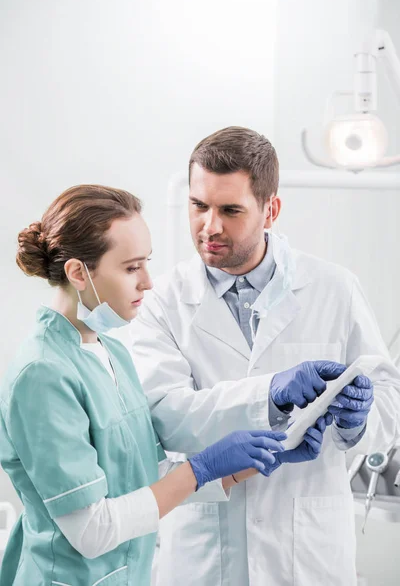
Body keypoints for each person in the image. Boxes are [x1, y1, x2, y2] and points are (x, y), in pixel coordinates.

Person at [0, 184, 332, 586]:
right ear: (77, 273)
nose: (148, 282)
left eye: (146, 263)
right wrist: (201, 466)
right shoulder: (43, 374)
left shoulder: (110, 353)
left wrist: (244, 465)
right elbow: (91, 531)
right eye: (130, 267)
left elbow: (148, 478)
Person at [131, 127, 400, 586]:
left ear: (271, 210)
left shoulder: (333, 288)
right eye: (199, 206)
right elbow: (162, 416)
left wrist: (360, 422)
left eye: (230, 210)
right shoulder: (161, 301)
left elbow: (389, 403)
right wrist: (269, 394)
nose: (209, 226)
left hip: (308, 554)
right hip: (204, 555)